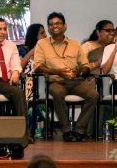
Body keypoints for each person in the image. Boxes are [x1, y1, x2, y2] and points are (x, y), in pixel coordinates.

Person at [33, 12, 98, 142]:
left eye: (57, 23)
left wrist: (78, 72)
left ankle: (79, 130)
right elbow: (38, 67)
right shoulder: (42, 44)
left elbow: (86, 65)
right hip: (55, 82)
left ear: (64, 26)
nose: (54, 26)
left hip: (75, 81)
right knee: (57, 92)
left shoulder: (75, 44)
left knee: (94, 95)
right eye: (51, 24)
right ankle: (66, 130)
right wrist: (58, 72)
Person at [18, 23, 46, 140]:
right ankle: (27, 130)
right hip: (24, 82)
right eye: (42, 33)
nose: (45, 35)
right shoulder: (22, 49)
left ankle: (38, 129)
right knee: (29, 89)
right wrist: (32, 52)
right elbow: (19, 67)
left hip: (42, 82)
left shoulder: (46, 50)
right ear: (34, 35)